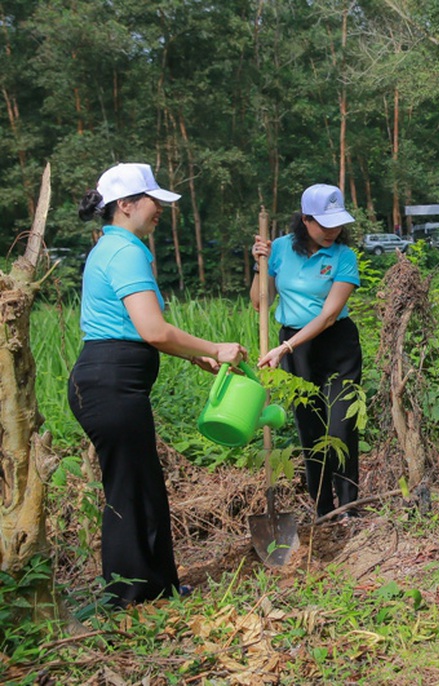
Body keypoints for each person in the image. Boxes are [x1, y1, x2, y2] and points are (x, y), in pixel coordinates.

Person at [70, 163, 248, 608]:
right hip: (111, 383)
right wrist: (217, 346)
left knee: (141, 485)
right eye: (154, 203)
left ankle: (154, 589)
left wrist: (197, 354)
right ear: (126, 205)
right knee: (130, 488)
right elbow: (152, 330)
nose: (160, 212)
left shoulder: (109, 247)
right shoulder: (125, 251)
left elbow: (138, 330)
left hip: (109, 380)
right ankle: (130, 597)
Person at [250, 184, 362, 519]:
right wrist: (260, 265)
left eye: (337, 223)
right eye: (324, 224)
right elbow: (260, 302)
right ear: (305, 219)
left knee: (342, 425)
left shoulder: (344, 256)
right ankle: (322, 508)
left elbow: (329, 315)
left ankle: (348, 508)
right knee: (309, 428)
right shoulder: (280, 249)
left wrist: (284, 347)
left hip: (336, 344)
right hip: (296, 349)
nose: (332, 231)